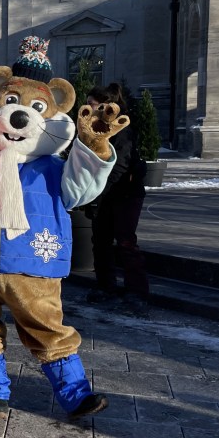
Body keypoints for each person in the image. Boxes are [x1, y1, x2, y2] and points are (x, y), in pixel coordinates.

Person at [85, 82, 150, 314]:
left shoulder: (122, 128)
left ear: (106, 105)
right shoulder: (94, 128)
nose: (88, 108)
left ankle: (137, 292)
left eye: (92, 104)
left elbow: (120, 165)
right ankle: (106, 286)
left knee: (125, 241)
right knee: (100, 241)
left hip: (125, 192)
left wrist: (97, 193)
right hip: (104, 192)